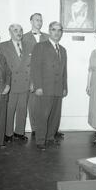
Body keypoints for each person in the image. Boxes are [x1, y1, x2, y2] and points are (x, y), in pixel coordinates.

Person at [30, 21, 67, 150]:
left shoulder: (62, 50)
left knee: (55, 115)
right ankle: (40, 141)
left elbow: (64, 71)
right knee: (43, 115)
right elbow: (35, 68)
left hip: (58, 88)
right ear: (49, 31)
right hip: (45, 88)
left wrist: (64, 87)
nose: (56, 32)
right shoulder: (40, 46)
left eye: (59, 30)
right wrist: (38, 86)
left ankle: (50, 138)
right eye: (53, 30)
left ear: (61, 32)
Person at [0, 24, 30, 142]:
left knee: (22, 110)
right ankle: (8, 134)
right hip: (10, 84)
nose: (19, 32)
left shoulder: (29, 45)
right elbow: (1, 67)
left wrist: (32, 82)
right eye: (15, 30)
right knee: (9, 109)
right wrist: (4, 84)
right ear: (10, 32)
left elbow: (32, 66)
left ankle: (19, 132)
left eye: (21, 30)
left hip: (25, 83)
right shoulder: (2, 46)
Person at [23, 13, 49, 137]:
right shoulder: (23, 37)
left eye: (41, 20)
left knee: (46, 102)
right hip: (31, 75)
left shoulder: (48, 37)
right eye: (36, 20)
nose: (39, 22)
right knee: (33, 104)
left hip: (46, 75)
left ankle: (45, 128)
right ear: (31, 21)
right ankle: (35, 129)